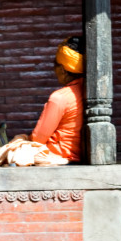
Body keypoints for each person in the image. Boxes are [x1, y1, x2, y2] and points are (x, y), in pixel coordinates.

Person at [13, 35, 85, 163]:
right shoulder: (85, 91)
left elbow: (38, 139)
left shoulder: (60, 97)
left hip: (55, 155)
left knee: (4, 152)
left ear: (62, 70)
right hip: (76, 155)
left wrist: (21, 138)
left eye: (55, 65)